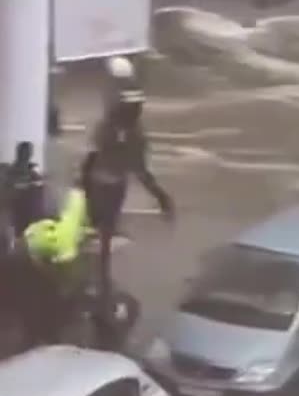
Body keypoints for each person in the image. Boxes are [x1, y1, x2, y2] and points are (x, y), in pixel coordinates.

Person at [83, 56, 175, 326]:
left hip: (99, 184)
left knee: (97, 234)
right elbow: (140, 171)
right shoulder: (133, 134)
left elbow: (95, 154)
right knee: (104, 237)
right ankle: (101, 285)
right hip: (110, 187)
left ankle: (98, 284)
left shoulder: (111, 126)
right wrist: (160, 197)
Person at [12, 187, 89, 348]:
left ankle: (39, 336)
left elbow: (30, 257)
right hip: (63, 259)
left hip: (47, 261)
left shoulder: (32, 234)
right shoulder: (68, 221)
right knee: (65, 288)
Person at [1, 141, 48, 244]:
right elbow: (9, 188)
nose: (28, 155)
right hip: (16, 211)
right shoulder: (11, 171)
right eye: (25, 152)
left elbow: (40, 184)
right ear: (19, 153)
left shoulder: (32, 170)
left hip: (29, 212)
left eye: (29, 152)